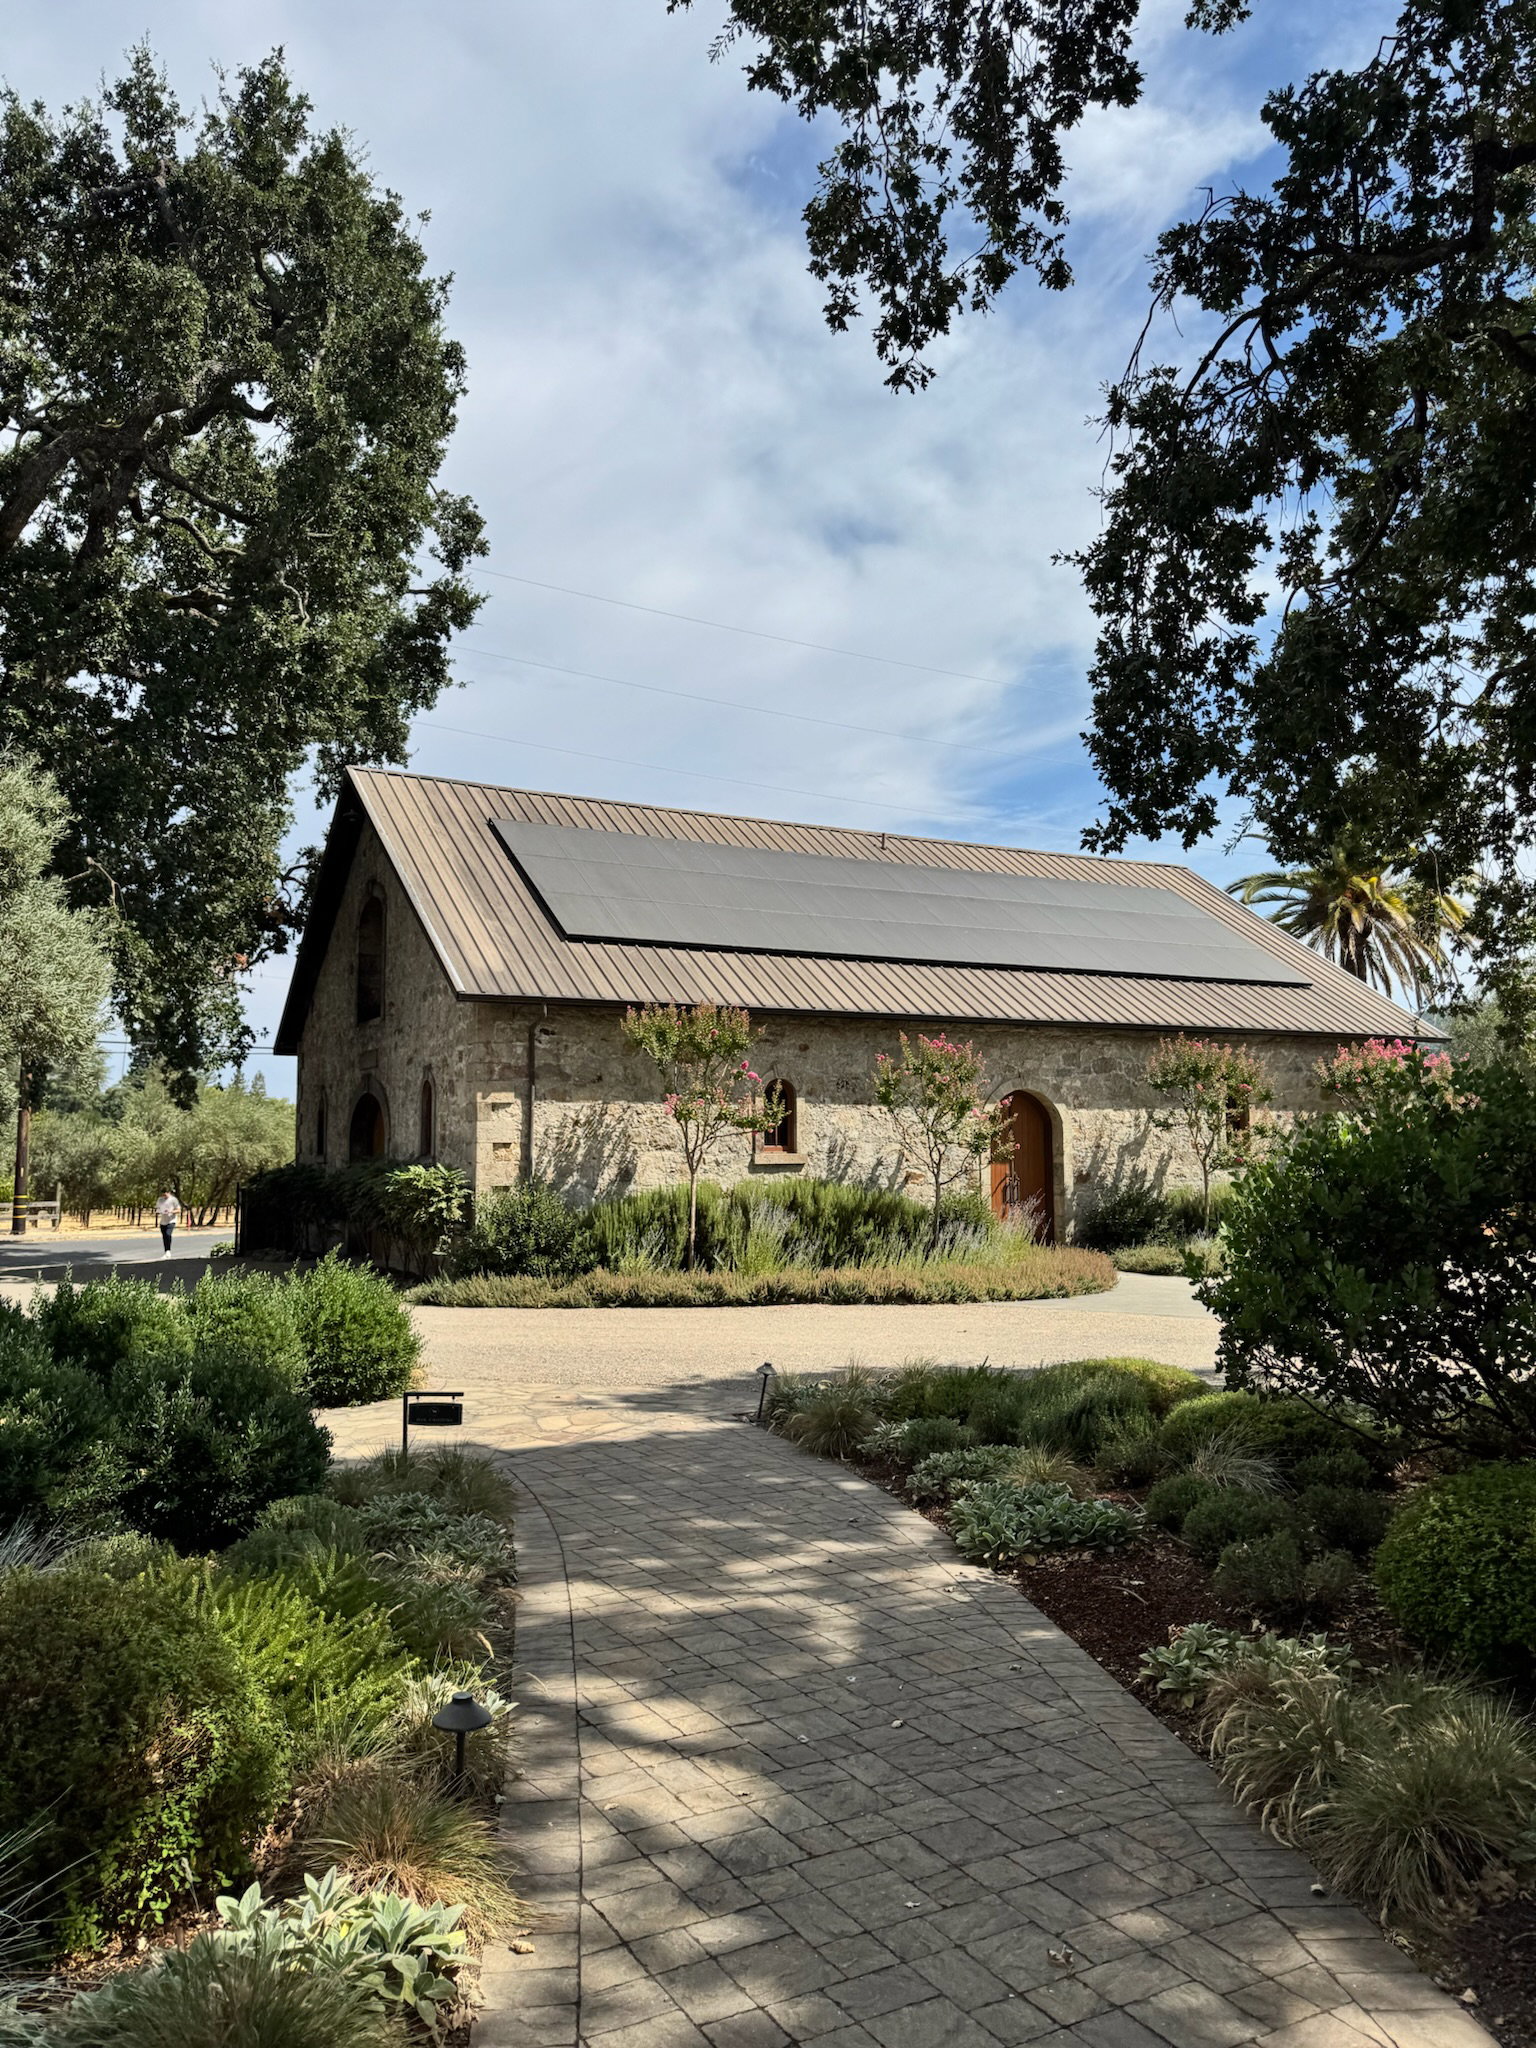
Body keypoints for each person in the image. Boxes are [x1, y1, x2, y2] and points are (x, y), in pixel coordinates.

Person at [153, 1188, 182, 1258]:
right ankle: (166, 1251)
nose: (164, 1195)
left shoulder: (173, 1200)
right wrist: (159, 1211)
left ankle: (168, 1251)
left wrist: (171, 1212)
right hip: (163, 1221)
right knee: (164, 1236)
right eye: (163, 1194)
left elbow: (178, 1210)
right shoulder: (160, 1200)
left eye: (165, 1194)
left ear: (169, 1192)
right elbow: (157, 1208)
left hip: (171, 1220)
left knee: (168, 1234)